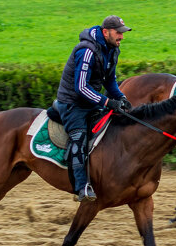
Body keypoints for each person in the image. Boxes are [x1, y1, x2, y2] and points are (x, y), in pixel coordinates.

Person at [55, 15, 132, 202]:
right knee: (79, 138)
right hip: (72, 104)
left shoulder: (113, 49)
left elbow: (110, 81)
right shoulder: (87, 50)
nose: (121, 37)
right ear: (105, 32)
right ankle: (81, 187)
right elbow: (80, 88)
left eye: (123, 33)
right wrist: (107, 102)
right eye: (118, 33)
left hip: (91, 101)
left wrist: (121, 98)